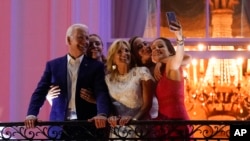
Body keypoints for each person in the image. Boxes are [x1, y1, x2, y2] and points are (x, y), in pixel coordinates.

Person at [24, 24, 111, 140]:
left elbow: (101, 93)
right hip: (58, 129)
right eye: (81, 37)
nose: (85, 42)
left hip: (87, 127)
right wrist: (31, 114)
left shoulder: (96, 67)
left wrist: (102, 114)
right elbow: (40, 92)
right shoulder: (53, 65)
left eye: (87, 38)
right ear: (69, 39)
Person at [129, 36, 192, 118]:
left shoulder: (161, 67)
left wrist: (162, 61)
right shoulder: (136, 74)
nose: (145, 47)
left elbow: (188, 57)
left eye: (145, 44)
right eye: (139, 47)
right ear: (135, 55)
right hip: (145, 118)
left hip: (167, 117)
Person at [105, 39, 155, 139]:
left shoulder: (141, 72)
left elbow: (147, 105)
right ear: (113, 58)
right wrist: (111, 116)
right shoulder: (108, 79)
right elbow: (108, 103)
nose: (124, 53)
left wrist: (133, 120)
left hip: (138, 128)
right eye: (119, 52)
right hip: (117, 130)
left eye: (127, 50)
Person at [150, 21, 191, 140]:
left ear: (170, 51)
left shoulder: (172, 67)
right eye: (153, 48)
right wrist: (160, 62)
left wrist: (179, 39)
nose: (156, 49)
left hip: (176, 124)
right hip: (163, 125)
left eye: (160, 46)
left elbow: (178, 59)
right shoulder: (160, 72)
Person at [46, 33, 107, 105]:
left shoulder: (110, 69)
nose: (94, 46)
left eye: (97, 43)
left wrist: (95, 100)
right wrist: (49, 96)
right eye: (90, 45)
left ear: (102, 47)